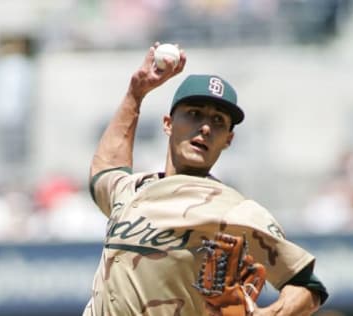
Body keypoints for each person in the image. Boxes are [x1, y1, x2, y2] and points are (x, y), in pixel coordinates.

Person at [83, 43, 328, 316]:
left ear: (229, 139)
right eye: (194, 114)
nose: (206, 127)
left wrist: (268, 315)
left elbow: (307, 286)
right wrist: (135, 94)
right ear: (168, 123)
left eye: (218, 121)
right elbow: (105, 171)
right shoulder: (131, 190)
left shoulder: (236, 210)